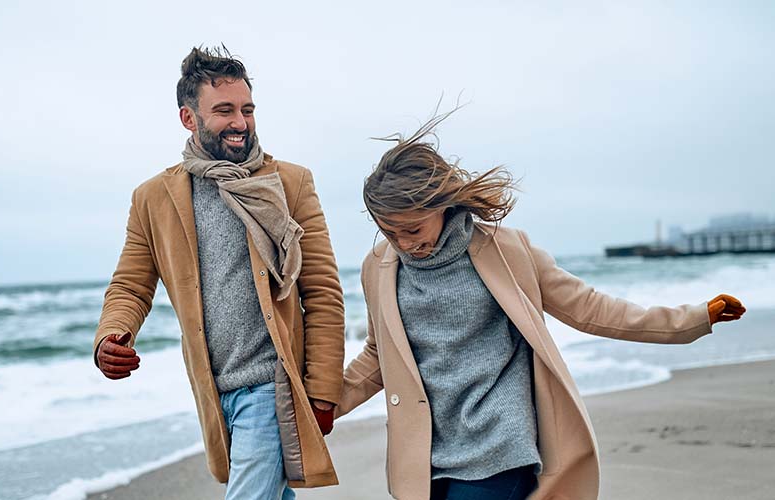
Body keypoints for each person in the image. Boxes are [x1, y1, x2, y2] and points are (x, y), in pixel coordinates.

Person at [336, 111, 745, 500]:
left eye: (413, 229)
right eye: (389, 232)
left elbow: (589, 308)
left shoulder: (506, 250)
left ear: (443, 205)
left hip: (500, 444)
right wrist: (326, 405)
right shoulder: (379, 269)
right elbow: (378, 357)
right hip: (424, 452)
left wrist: (692, 318)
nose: (405, 243)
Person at [93, 46, 345, 500]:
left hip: (273, 387)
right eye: (224, 110)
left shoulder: (289, 183)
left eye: (247, 110)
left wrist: (324, 389)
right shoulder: (153, 198)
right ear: (188, 118)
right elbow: (131, 284)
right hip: (213, 391)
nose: (241, 123)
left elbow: (323, 290)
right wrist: (111, 335)